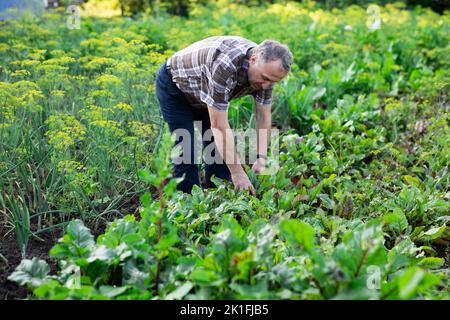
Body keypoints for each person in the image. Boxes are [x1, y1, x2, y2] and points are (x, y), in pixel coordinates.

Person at [155, 35, 292, 195]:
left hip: (205, 93)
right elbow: (219, 126)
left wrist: (261, 156)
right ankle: (187, 203)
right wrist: (238, 172)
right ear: (253, 59)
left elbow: (263, 117)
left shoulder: (266, 73)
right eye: (264, 79)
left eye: (272, 82)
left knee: (217, 149)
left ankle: (217, 195)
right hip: (176, 88)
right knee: (186, 149)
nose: (266, 86)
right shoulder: (225, 65)